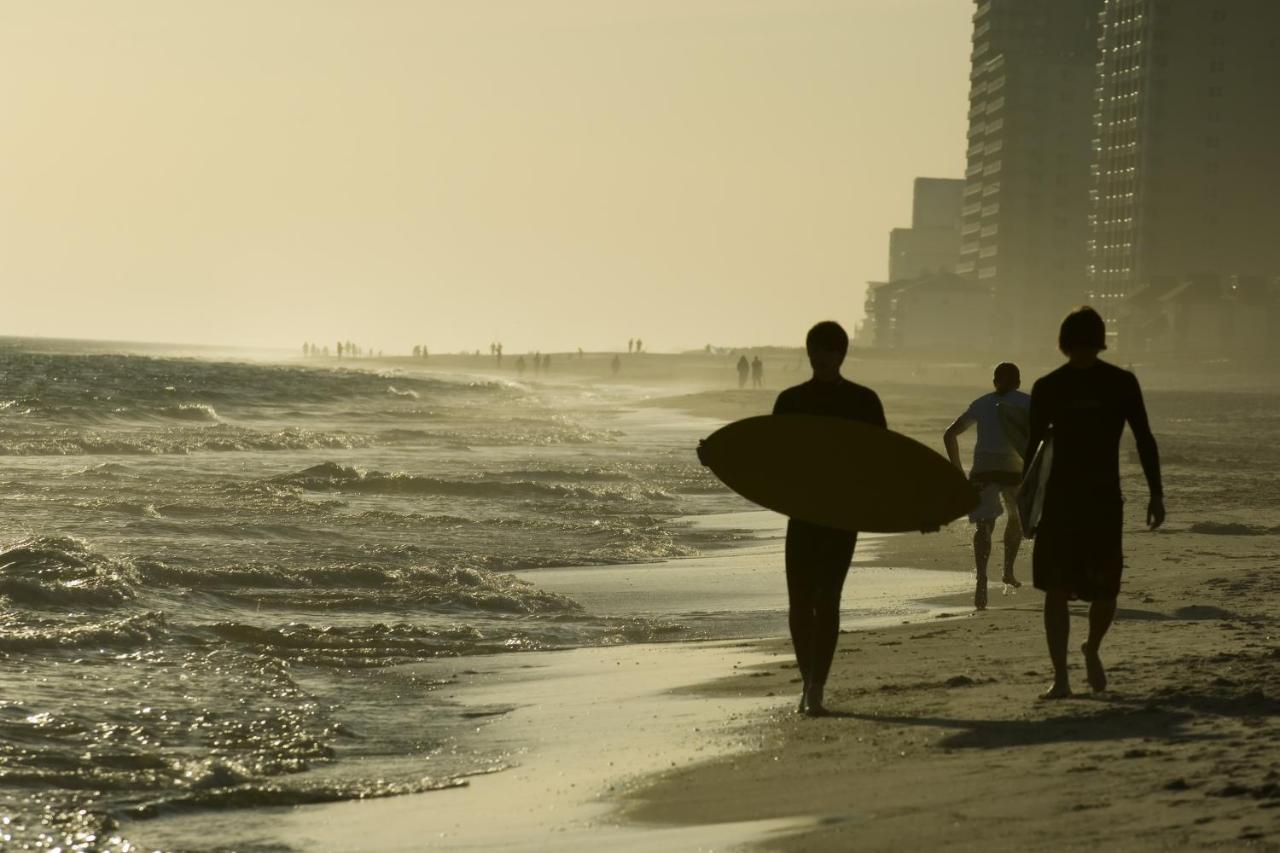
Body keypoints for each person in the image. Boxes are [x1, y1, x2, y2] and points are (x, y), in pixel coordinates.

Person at [704, 321, 885, 717]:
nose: (818, 357)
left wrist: (906, 511)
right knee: (800, 602)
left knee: (829, 598)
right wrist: (721, 457)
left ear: (840, 355)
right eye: (813, 350)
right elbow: (772, 457)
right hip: (802, 513)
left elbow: (882, 462)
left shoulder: (863, 401)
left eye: (826, 351)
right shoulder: (791, 400)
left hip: (841, 514)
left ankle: (817, 684)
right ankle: (809, 681)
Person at [1025, 306, 1164, 699]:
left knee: (1106, 590)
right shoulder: (1048, 386)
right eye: (1076, 347)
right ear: (1066, 346)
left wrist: (1156, 492)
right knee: (1056, 587)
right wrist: (1028, 507)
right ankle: (1061, 677)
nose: (1083, 354)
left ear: (1099, 344)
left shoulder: (1120, 383)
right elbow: (1033, 451)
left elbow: (1144, 438)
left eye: (1089, 346)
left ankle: (1092, 648)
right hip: (1058, 501)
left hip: (1103, 499)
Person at [943, 362, 1031, 609]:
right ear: (1019, 381)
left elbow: (949, 434)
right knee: (1016, 518)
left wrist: (957, 470)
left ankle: (981, 581)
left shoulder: (981, 403)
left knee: (984, 526)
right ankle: (1008, 571)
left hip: (983, 468)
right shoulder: (1028, 403)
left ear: (994, 381)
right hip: (1014, 470)